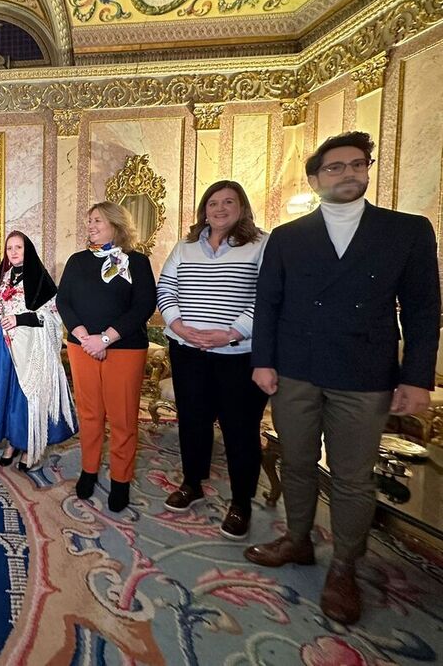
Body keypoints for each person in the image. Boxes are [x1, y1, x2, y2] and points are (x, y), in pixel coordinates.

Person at [245, 131, 440, 625]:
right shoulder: (289, 236)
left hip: (365, 372)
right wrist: (262, 361)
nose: (348, 173)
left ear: (368, 170)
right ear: (316, 179)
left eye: (357, 165)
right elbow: (267, 303)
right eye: (335, 168)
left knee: (353, 478)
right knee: (297, 461)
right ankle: (296, 540)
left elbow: (422, 310)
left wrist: (416, 378)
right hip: (296, 368)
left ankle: (346, 567)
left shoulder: (407, 231)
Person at [156, 181, 270, 540]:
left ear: (242, 207)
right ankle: (192, 483)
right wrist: (176, 324)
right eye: (213, 203)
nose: (219, 209)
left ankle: (240, 503)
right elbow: (166, 286)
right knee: (192, 421)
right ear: (204, 209)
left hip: (237, 353)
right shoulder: (186, 246)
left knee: (240, 430)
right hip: (188, 350)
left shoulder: (262, 244)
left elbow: (269, 297)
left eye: (228, 202)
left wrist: (233, 332)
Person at [56, 202, 156, 512]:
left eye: (97, 220)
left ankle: (121, 481)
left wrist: (106, 338)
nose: (90, 225)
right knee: (89, 413)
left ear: (116, 223)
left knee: (123, 417)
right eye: (89, 221)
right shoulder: (77, 261)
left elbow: (143, 306)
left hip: (124, 349)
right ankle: (89, 470)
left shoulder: (137, 262)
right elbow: (64, 300)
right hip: (82, 347)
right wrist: (84, 336)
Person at [0, 231, 76, 469]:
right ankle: (12, 442)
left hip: (30, 349)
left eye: (18, 247)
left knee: (24, 396)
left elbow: (51, 319)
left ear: (27, 249)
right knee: (4, 395)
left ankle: (29, 445)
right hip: (3, 347)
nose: (13, 252)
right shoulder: (2, 278)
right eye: (9, 248)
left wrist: (20, 320)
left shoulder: (40, 279)